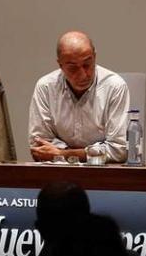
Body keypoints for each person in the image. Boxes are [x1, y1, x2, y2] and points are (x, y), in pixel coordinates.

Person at [28, 31, 130, 163]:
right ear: (60, 65)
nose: (83, 74)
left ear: (95, 56)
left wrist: (63, 154)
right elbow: (39, 147)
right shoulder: (46, 87)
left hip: (103, 173)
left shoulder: (115, 87)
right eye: (73, 68)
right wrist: (91, 153)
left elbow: (119, 151)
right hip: (59, 173)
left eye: (87, 64)